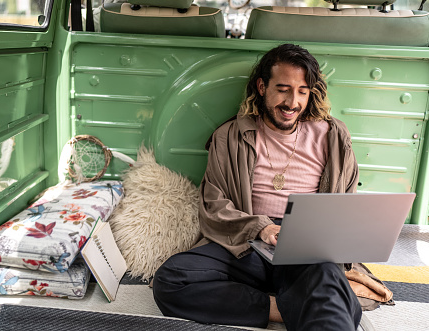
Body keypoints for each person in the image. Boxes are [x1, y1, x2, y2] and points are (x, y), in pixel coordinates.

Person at [152, 43, 363, 330]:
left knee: (330, 285)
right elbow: (213, 204)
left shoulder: (333, 136)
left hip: (304, 247)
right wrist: (261, 228)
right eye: (283, 89)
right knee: (170, 280)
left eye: (303, 91)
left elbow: (345, 202)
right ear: (262, 87)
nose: (293, 103)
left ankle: (313, 300)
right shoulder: (230, 136)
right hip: (246, 244)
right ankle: (284, 307)